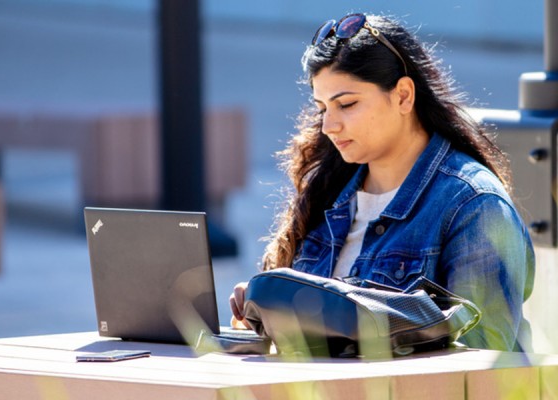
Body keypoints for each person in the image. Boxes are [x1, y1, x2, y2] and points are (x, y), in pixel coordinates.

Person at [229, 13, 535, 352]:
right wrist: (264, 307)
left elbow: (483, 358)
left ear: (403, 96)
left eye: (346, 104)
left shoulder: (474, 203)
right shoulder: (327, 192)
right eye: (322, 108)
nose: (329, 125)